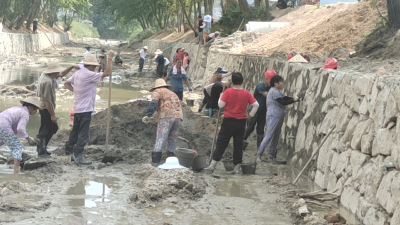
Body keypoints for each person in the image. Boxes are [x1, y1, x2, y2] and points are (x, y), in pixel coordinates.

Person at [64, 51, 114, 165]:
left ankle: (69, 152)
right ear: (90, 65)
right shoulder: (88, 74)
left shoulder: (78, 73)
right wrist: (110, 58)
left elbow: (66, 83)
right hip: (85, 109)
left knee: (75, 130)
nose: (94, 68)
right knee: (83, 133)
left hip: (77, 108)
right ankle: (79, 156)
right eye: (94, 66)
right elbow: (107, 73)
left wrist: (75, 91)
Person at [205, 72, 259, 174]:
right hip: (241, 122)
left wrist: (221, 96)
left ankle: (212, 166)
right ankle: (237, 168)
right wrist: (250, 115)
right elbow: (256, 105)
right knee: (238, 144)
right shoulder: (246, 93)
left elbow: (221, 105)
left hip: (228, 121)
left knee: (221, 143)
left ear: (232, 82)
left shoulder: (228, 92)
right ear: (242, 82)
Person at [36, 62, 78, 157]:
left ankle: (43, 147)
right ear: (53, 72)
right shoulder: (48, 82)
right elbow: (47, 101)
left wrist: (71, 66)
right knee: (45, 130)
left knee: (52, 128)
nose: (59, 72)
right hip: (45, 108)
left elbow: (61, 74)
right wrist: (52, 115)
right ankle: (40, 149)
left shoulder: (50, 76)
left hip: (47, 107)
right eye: (57, 71)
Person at [257, 75, 299, 163]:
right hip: (273, 116)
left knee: (275, 136)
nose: (282, 84)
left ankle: (271, 157)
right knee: (269, 135)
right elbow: (283, 102)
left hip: (277, 116)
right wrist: (294, 100)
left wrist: (293, 98)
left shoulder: (276, 91)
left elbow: (284, 97)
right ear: (276, 83)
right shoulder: (274, 91)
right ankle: (259, 155)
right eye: (281, 82)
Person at [142, 79, 183, 166]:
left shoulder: (158, 91)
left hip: (166, 116)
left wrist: (148, 115)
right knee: (173, 139)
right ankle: (170, 162)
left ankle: (155, 162)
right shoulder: (173, 93)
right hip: (178, 117)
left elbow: (154, 103)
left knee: (161, 138)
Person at [0, 97, 41, 173]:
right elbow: (20, 129)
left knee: (2, 141)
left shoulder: (17, 108)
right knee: (17, 146)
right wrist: (28, 138)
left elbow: (14, 127)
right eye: (36, 109)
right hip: (4, 125)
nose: (36, 112)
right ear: (30, 108)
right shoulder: (25, 114)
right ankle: (16, 171)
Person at [243, 69, 275, 151]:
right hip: (255, 110)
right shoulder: (261, 85)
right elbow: (267, 95)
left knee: (260, 130)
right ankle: (242, 142)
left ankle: (259, 149)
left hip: (264, 112)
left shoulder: (271, 88)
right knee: (250, 128)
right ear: (267, 79)